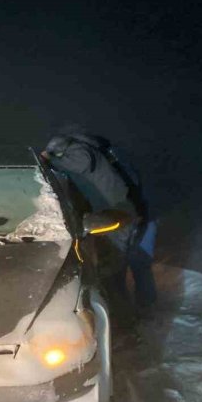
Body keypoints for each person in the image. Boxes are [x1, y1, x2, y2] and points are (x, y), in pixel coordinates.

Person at [41, 131, 157, 310]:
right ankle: (146, 308)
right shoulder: (106, 155)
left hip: (120, 216)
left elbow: (82, 162)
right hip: (135, 212)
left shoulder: (82, 153)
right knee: (137, 264)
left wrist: (47, 159)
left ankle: (126, 321)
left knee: (113, 272)